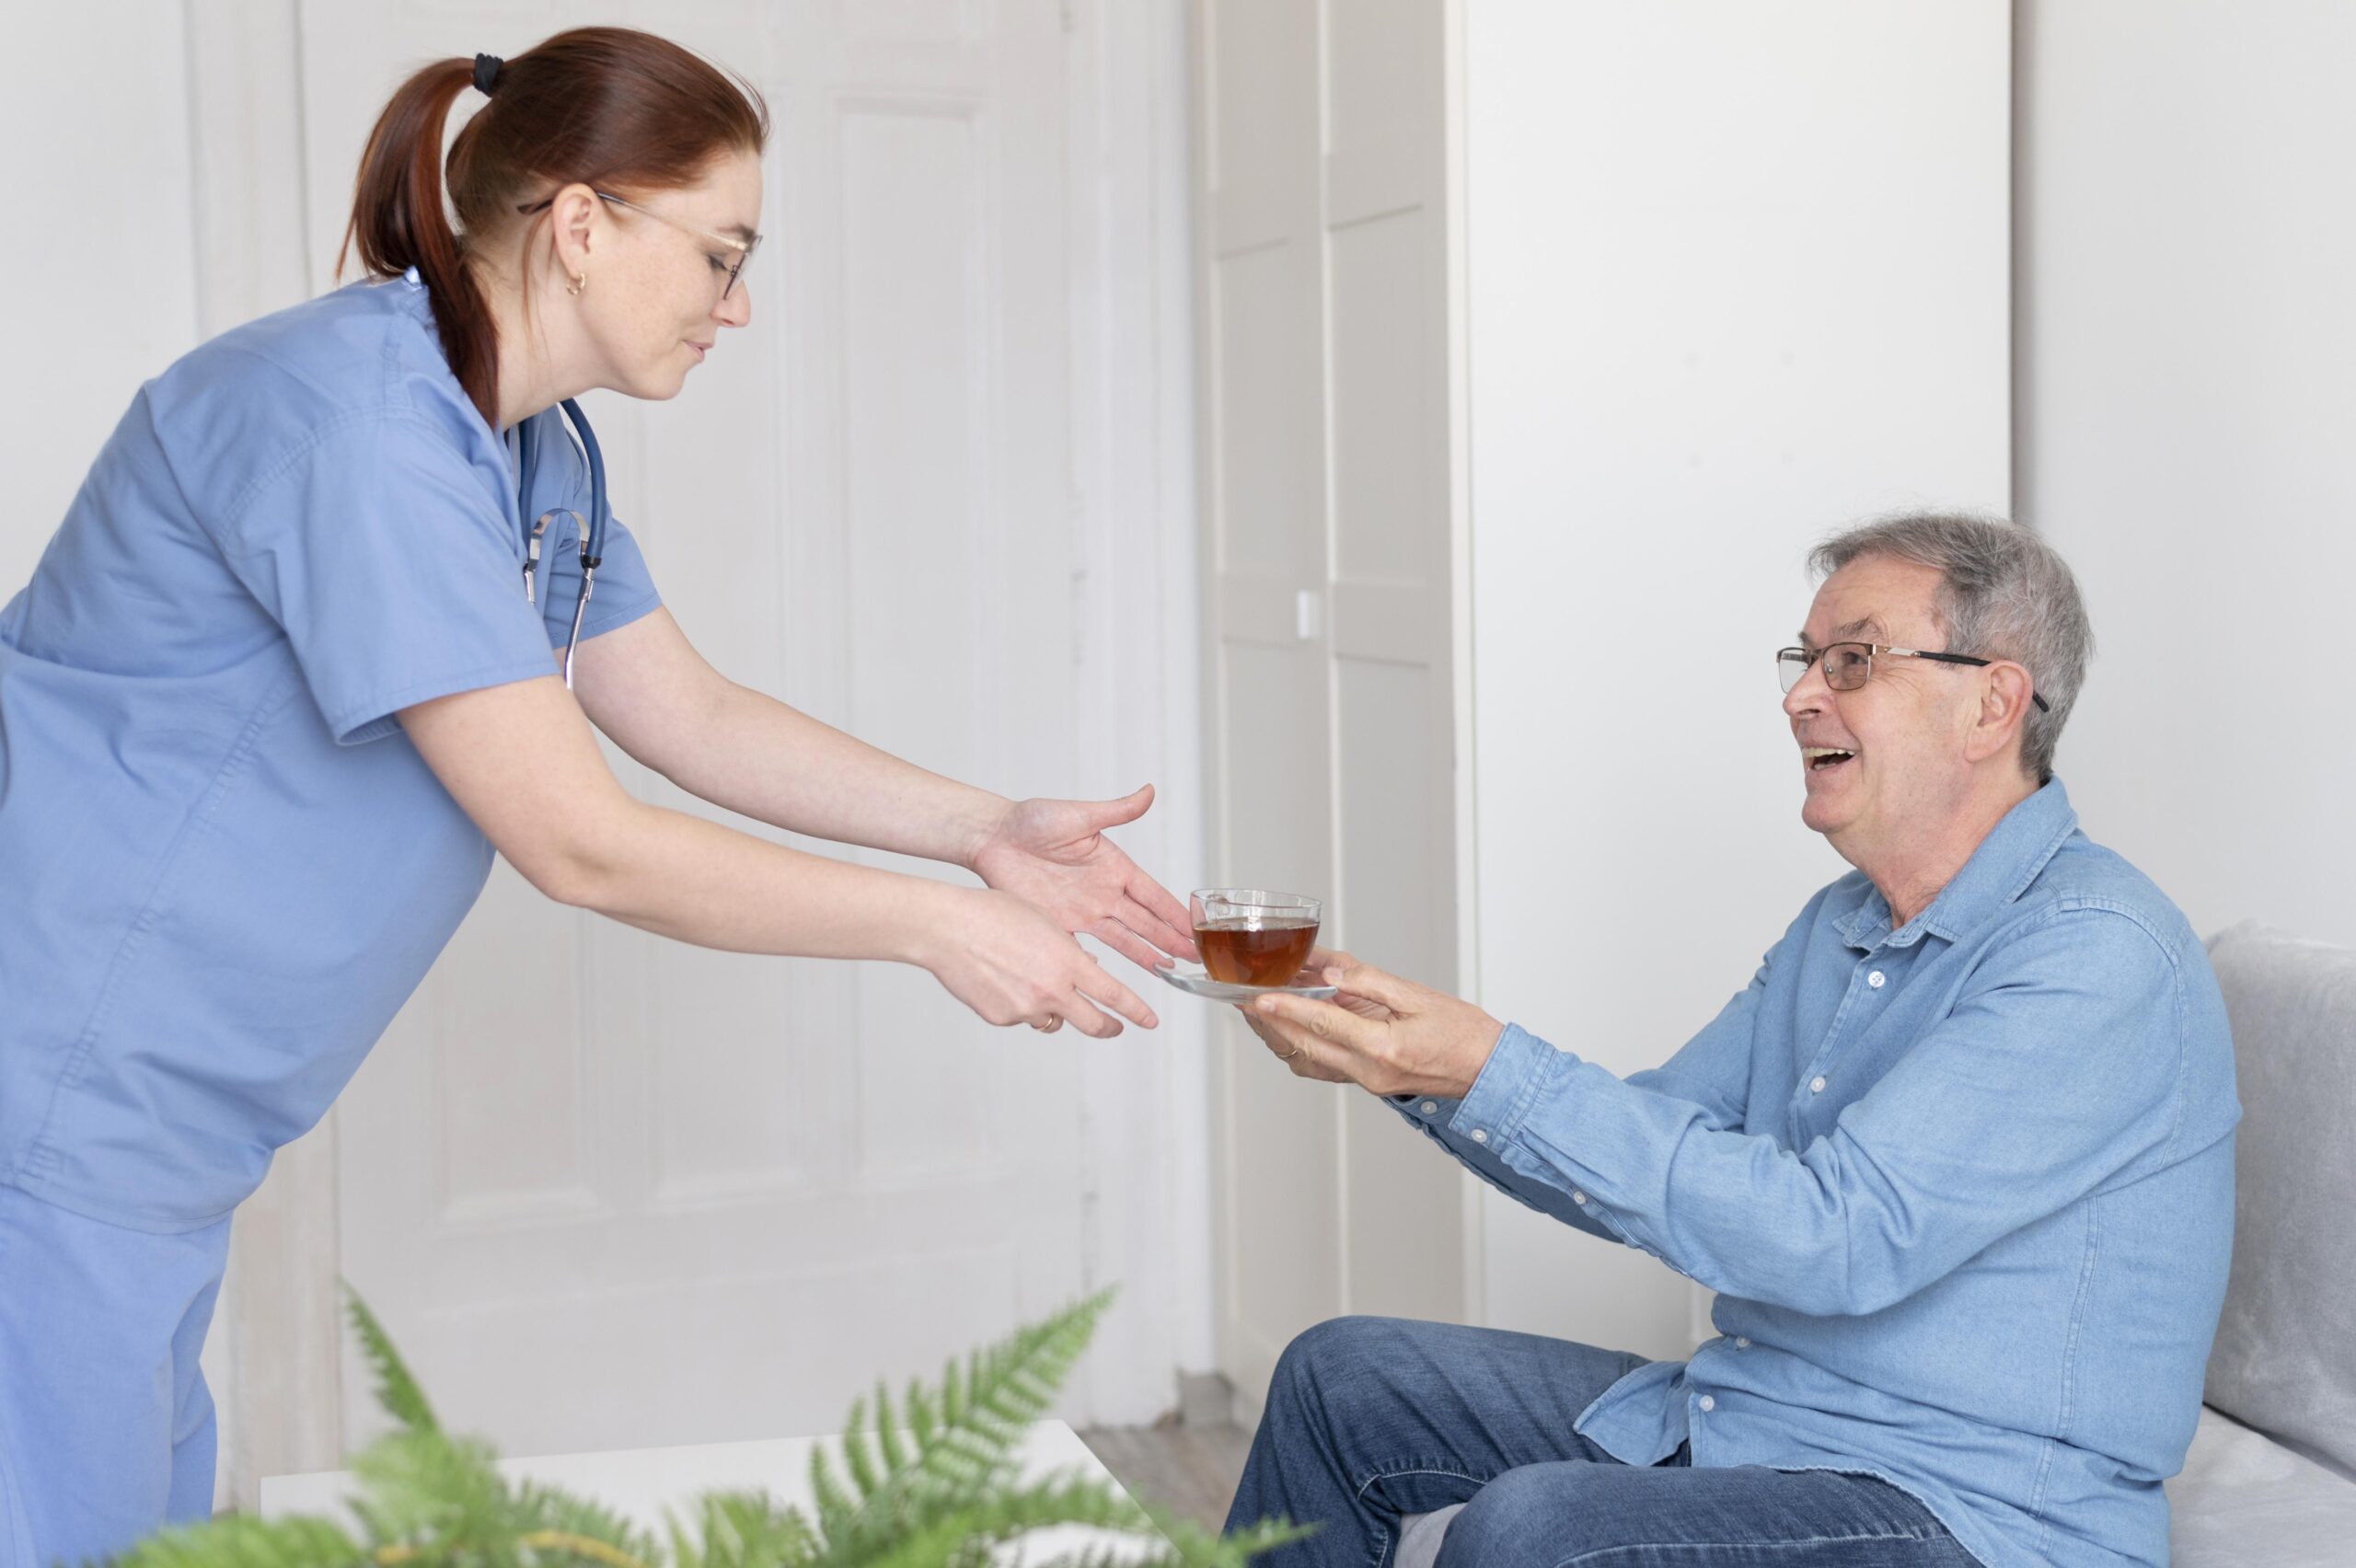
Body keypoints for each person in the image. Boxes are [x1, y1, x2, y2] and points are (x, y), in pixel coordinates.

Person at [0, 29, 1195, 1561]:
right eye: (719, 252)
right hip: (54, 1103)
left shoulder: (523, 443)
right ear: (580, 223)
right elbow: (582, 842)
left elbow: (683, 710)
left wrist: (982, 830)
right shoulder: (355, 424)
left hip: (160, 1143)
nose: (738, 301)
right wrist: (935, 928)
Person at [1230, 513, 2236, 1568]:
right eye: (1806, 660)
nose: (1801, 694)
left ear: (1991, 703)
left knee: (1536, 1529)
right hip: (1755, 1423)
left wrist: (1486, 1064)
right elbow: (1651, 1135)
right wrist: (1408, 1064)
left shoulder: (2094, 956)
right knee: (1341, 1380)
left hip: (1972, 1510)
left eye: (1852, 660)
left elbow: (1838, 1237)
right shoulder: (1839, 926)